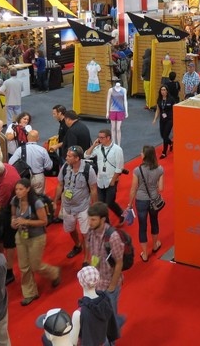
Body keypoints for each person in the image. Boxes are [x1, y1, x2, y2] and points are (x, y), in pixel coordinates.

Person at [11, 178, 61, 306]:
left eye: (21, 189)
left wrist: (26, 221)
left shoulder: (36, 203)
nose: (18, 191)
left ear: (28, 189)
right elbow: (13, 216)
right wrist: (14, 221)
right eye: (16, 189)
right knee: (23, 267)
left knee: (35, 265)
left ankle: (54, 272)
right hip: (21, 236)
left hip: (36, 237)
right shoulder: (15, 201)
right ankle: (30, 293)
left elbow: (44, 222)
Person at [84, 202, 125, 331]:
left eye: (93, 219)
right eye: (89, 219)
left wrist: (112, 287)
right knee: (102, 315)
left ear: (102, 219)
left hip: (109, 284)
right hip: (96, 283)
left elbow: (119, 263)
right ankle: (117, 321)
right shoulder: (91, 232)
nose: (90, 222)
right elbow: (93, 255)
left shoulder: (113, 237)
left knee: (109, 320)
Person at [55, 146, 97, 259]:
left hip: (83, 206)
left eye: (69, 156)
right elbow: (60, 185)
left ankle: (87, 258)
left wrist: (94, 206)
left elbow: (93, 188)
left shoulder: (88, 170)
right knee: (70, 229)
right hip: (67, 207)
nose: (66, 158)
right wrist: (55, 201)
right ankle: (78, 245)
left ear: (77, 158)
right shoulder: (65, 167)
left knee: (85, 233)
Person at [128, 145, 164, 262]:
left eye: (141, 152)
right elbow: (161, 188)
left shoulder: (137, 170)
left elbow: (133, 189)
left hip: (141, 201)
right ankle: (154, 245)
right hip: (154, 200)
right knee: (154, 222)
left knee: (142, 226)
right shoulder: (159, 169)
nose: (140, 154)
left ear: (145, 155)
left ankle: (144, 254)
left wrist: (129, 204)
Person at [68, 266, 120, 346]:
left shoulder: (78, 314)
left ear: (81, 283)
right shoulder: (106, 300)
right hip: (103, 341)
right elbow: (111, 325)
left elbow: (73, 342)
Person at [86, 129, 125, 226]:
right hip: (100, 180)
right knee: (102, 205)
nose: (99, 139)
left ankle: (121, 214)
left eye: (102, 137)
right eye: (98, 137)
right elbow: (86, 155)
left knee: (109, 202)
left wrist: (113, 181)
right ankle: (106, 225)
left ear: (108, 138)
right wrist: (94, 145)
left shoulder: (117, 149)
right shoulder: (98, 148)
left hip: (111, 180)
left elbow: (119, 167)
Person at [8, 129, 52, 195]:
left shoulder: (20, 150)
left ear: (27, 137)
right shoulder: (42, 150)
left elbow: (10, 164)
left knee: (24, 197)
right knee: (38, 197)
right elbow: (49, 167)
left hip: (24, 177)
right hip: (38, 177)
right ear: (38, 138)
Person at [152, 85, 176, 158]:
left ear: (167, 91)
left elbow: (175, 109)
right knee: (162, 135)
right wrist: (155, 119)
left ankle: (164, 152)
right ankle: (171, 143)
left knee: (165, 136)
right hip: (162, 120)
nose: (163, 91)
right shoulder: (159, 99)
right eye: (162, 90)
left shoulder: (171, 99)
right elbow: (158, 110)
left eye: (164, 90)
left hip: (170, 120)